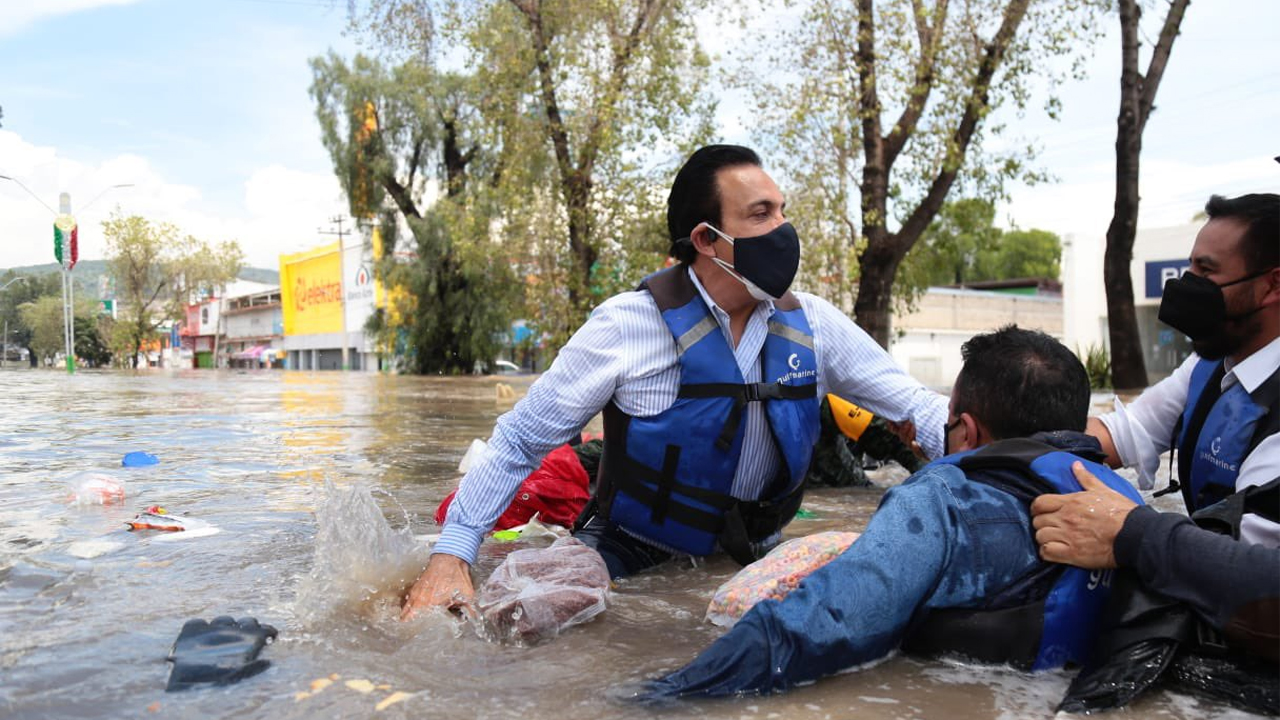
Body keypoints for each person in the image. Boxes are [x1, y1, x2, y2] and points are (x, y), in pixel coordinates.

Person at [401, 144, 949, 619]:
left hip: (758, 547)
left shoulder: (815, 324)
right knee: (531, 610)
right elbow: (519, 442)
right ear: (707, 240)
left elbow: (920, 409)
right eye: (762, 215)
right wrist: (451, 557)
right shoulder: (625, 326)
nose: (784, 231)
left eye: (783, 212)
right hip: (630, 546)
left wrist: (1024, 464)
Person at [633, 326, 1144, 699]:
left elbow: (825, 620)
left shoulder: (943, 500)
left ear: (965, 429)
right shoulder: (1123, 501)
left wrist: (661, 694)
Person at [1086, 193, 1279, 544]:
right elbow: (1128, 431)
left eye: (1206, 271)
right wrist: (1023, 446)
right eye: (1190, 266)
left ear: (1273, 284)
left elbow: (1245, 559)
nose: (1187, 283)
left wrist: (1128, 532)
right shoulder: (1208, 367)